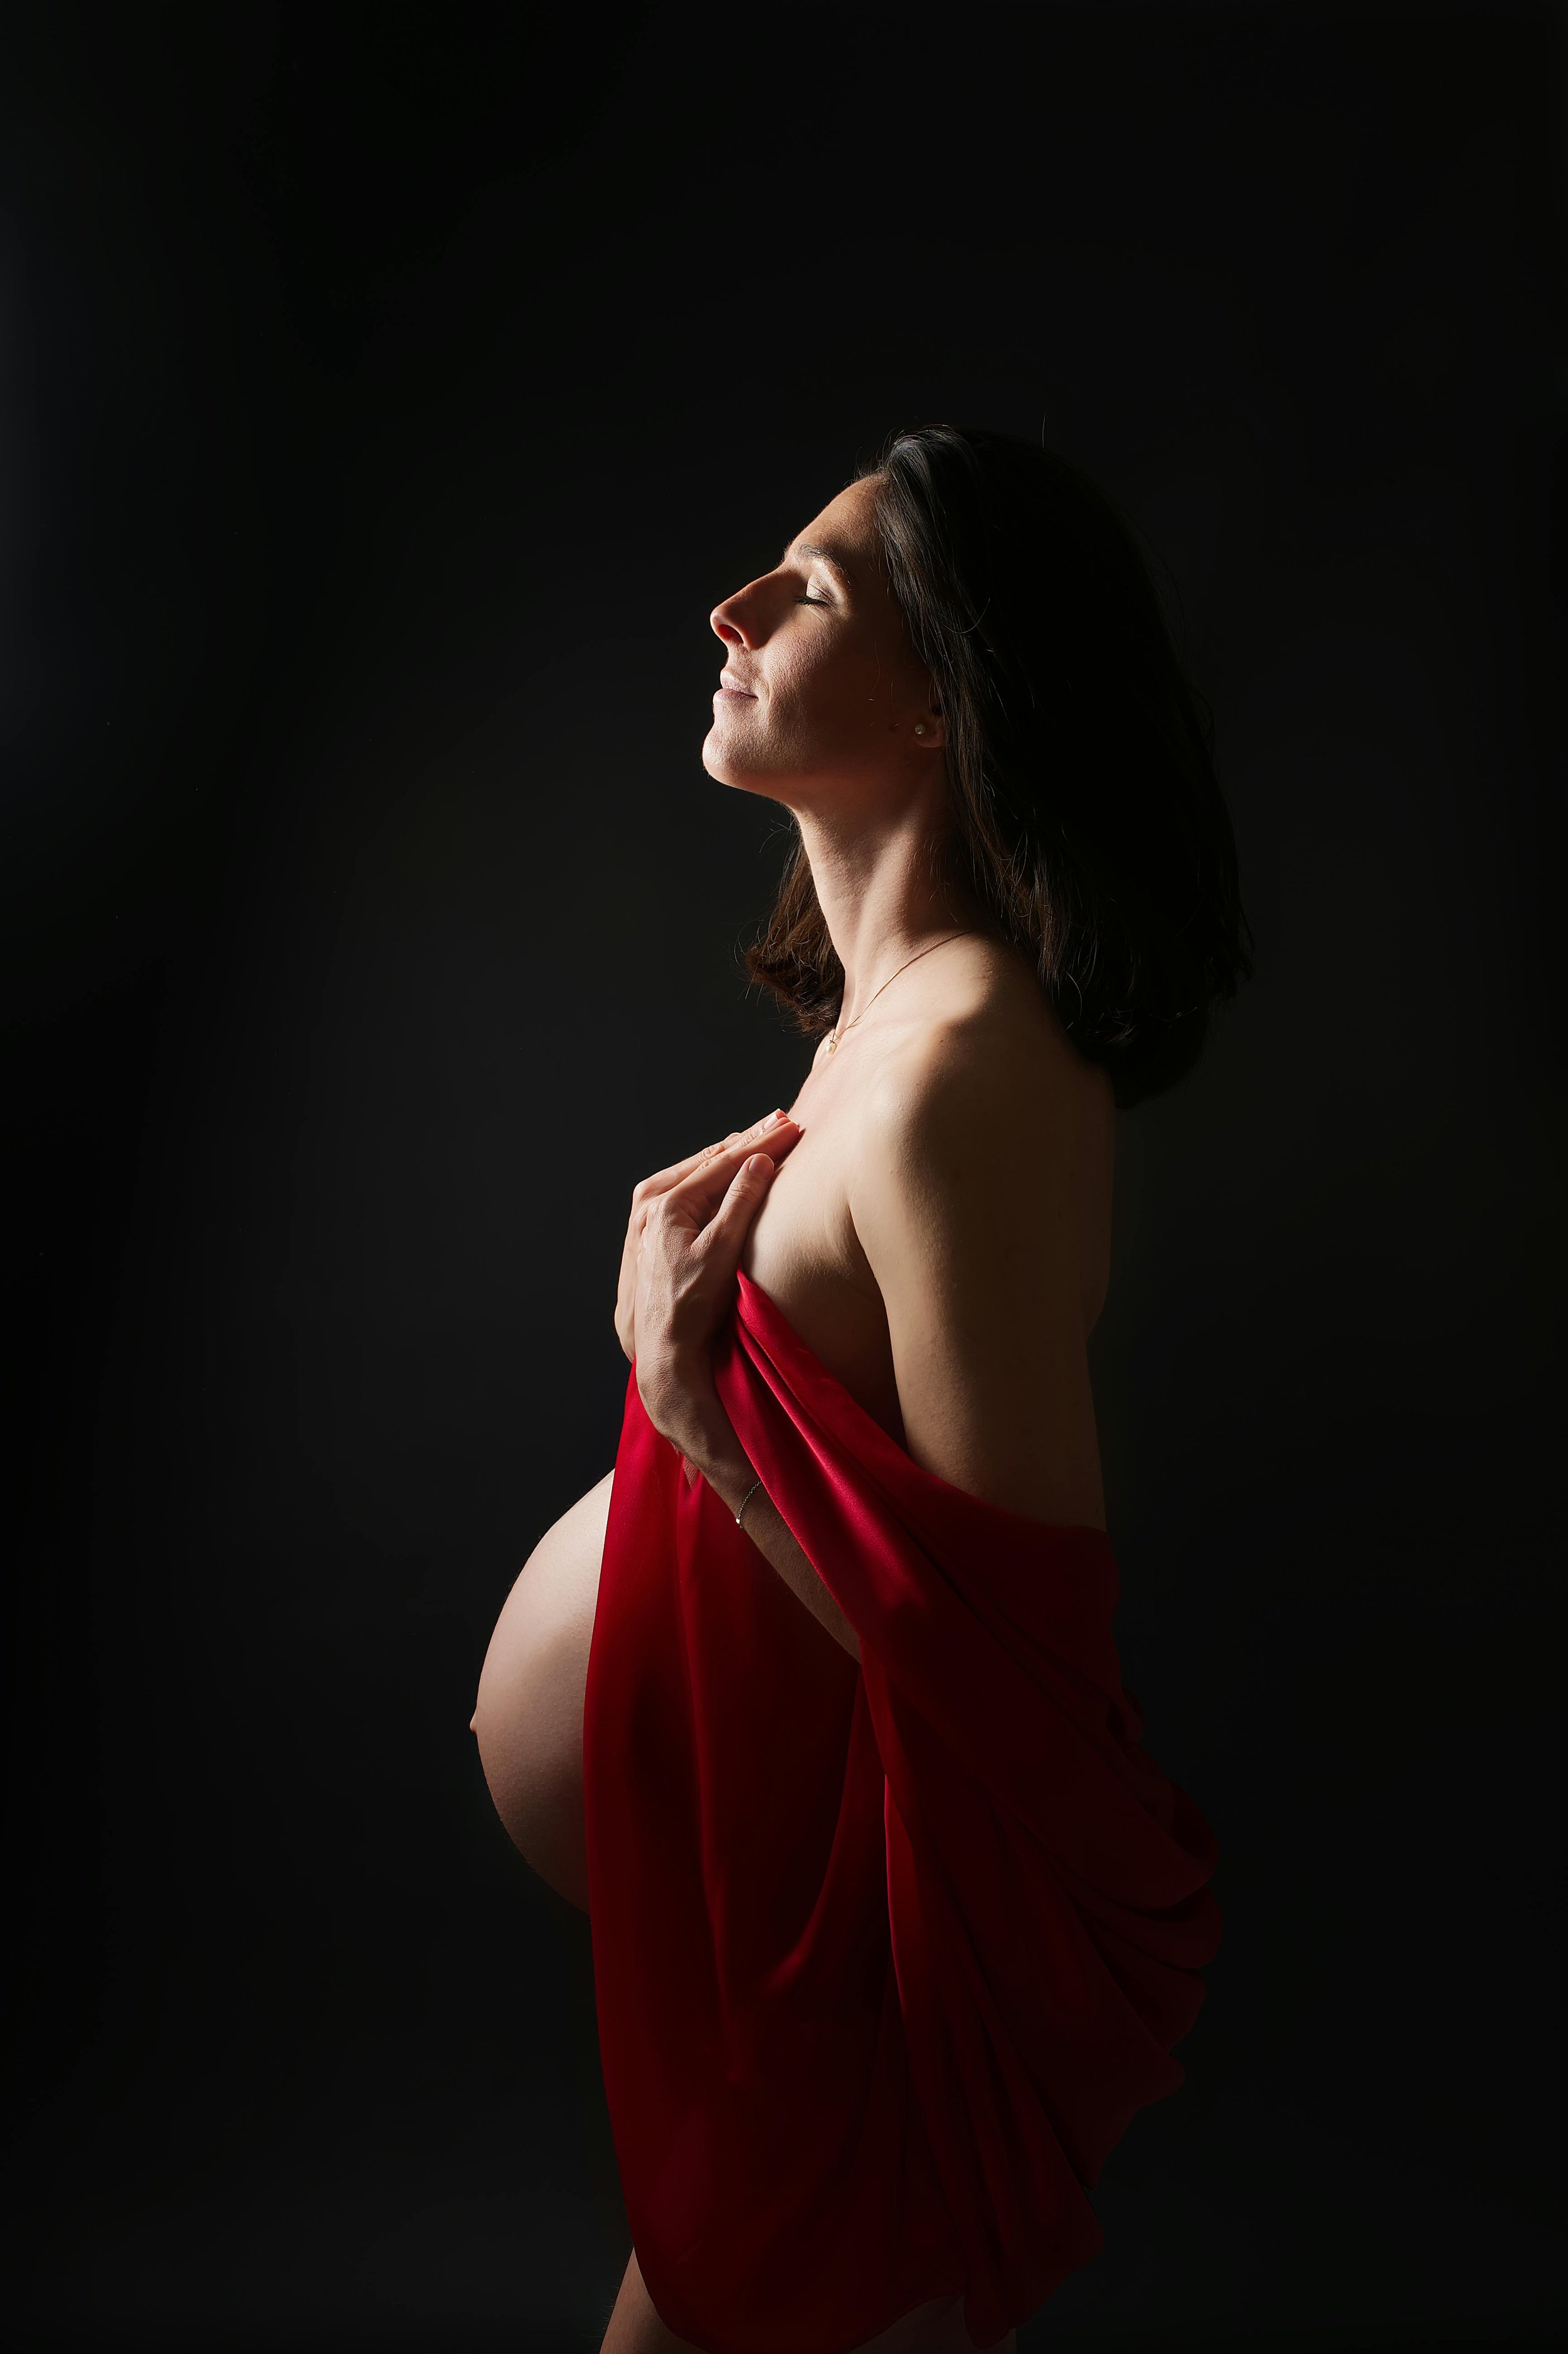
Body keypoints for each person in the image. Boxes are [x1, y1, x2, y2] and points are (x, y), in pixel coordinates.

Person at [470, 424, 1251, 2354]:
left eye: (808, 588)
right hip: (763, 1958)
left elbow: (1020, 1693)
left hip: (855, 2017)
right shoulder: (873, 1028)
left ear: (937, 702)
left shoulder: (957, 1065)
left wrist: (695, 1407)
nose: (727, 609)